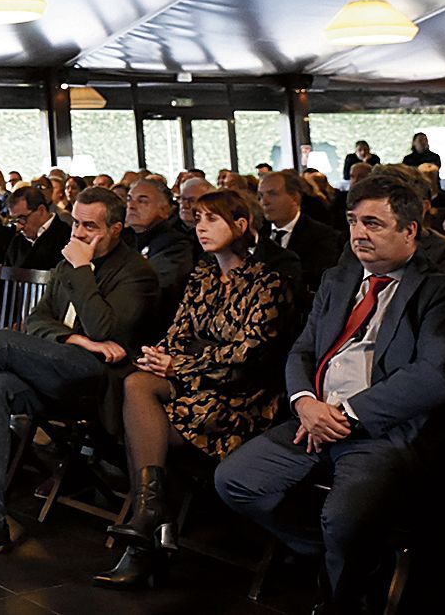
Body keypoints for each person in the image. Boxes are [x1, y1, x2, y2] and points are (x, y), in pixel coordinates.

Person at [214, 174, 445, 611]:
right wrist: (305, 403)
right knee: (235, 481)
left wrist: (347, 416)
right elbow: (303, 350)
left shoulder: (441, 289)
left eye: (373, 224)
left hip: (383, 430)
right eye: (353, 221)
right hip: (314, 416)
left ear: (410, 231)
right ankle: (342, 554)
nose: (358, 233)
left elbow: (433, 376)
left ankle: (342, 593)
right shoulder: (340, 278)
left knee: (345, 517)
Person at [0, 187, 159, 562]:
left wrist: (83, 271)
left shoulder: (136, 273)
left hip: (99, 382)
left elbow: (107, 331)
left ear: (116, 228)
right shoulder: (70, 259)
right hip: (60, 366)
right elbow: (38, 319)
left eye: (91, 226)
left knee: (2, 341)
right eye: (77, 224)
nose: (80, 234)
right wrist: (77, 339)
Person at [96, 189, 297, 588]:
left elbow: (248, 359)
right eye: (199, 219)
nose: (201, 227)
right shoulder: (204, 274)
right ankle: (151, 519)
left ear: (241, 226)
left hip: (244, 399)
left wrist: (179, 364)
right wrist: (160, 356)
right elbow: (179, 333)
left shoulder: (269, 282)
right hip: (196, 387)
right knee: (136, 381)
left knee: (142, 420)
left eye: (213, 219)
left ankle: (147, 534)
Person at [259, 169, 342, 295]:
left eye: (272, 194)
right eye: (261, 196)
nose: (264, 202)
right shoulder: (257, 233)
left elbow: (317, 280)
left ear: (295, 198)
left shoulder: (322, 236)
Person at [123, 178, 198, 309]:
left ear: (164, 210)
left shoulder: (176, 245)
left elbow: (153, 287)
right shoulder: (121, 238)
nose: (131, 206)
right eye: (129, 199)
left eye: (142, 201)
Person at [1, 183, 70, 270]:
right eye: (15, 221)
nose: (19, 226)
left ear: (41, 210)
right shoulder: (17, 242)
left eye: (22, 218)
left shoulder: (66, 237)